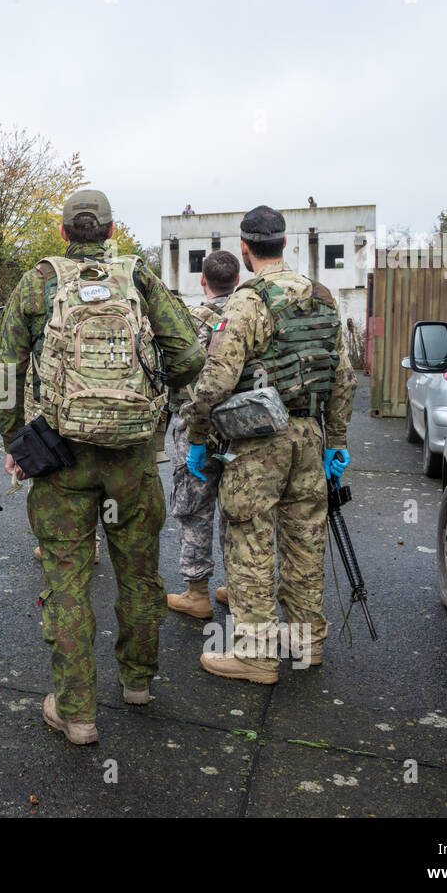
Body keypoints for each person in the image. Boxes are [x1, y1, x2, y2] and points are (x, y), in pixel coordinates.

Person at [0, 189, 205, 745]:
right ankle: (137, 683)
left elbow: (4, 374)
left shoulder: (38, 283)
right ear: (112, 231)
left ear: (64, 233)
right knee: (139, 573)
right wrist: (154, 401)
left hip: (60, 459)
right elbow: (190, 354)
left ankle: (77, 712)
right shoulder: (138, 278)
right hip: (132, 459)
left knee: (66, 578)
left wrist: (17, 439)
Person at [182, 205, 357, 684]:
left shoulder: (247, 302)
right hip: (310, 436)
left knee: (250, 541)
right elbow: (343, 377)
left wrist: (197, 437)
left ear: (244, 248)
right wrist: (336, 439)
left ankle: (256, 654)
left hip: (257, 441)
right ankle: (305, 642)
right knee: (305, 540)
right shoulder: (322, 297)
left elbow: (215, 382)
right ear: (285, 243)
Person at [166, 250, 240, 619]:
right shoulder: (249, 317)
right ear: (237, 281)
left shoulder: (189, 320)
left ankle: (197, 594)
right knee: (238, 508)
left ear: (202, 280)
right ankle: (238, 588)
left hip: (195, 429)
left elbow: (171, 372)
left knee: (194, 507)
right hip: (242, 429)